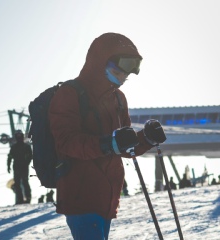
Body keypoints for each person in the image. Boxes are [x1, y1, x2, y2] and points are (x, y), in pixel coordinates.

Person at [48, 32, 166, 240]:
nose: (121, 80)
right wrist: (108, 143)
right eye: (117, 72)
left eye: (125, 76)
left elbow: (125, 146)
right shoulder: (70, 93)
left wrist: (146, 138)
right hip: (81, 196)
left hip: (107, 198)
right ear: (98, 62)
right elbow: (66, 142)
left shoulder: (118, 99)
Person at [7, 130, 33, 204]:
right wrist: (8, 166)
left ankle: (28, 198)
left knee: (25, 182)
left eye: (20, 135)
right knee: (17, 183)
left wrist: (26, 163)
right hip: (16, 167)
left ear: (22, 136)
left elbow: (30, 156)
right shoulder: (14, 147)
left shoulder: (26, 146)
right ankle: (20, 199)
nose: (19, 137)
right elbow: (9, 157)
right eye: (17, 136)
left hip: (23, 166)